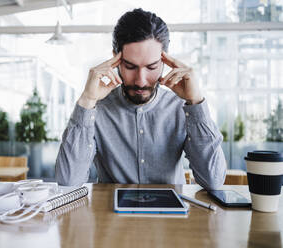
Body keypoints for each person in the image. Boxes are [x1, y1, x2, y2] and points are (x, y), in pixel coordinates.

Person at [55, 8, 226, 189]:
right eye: (130, 66)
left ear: (165, 62)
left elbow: (214, 181)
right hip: (110, 216)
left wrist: (196, 102)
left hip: (172, 216)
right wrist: (87, 100)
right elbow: (67, 182)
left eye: (152, 67)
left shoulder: (182, 109)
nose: (140, 81)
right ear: (116, 59)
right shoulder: (96, 110)